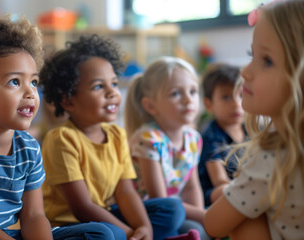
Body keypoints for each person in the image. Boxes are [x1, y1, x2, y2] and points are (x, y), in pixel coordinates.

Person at [0, 16, 116, 239]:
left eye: (33, 82)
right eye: (14, 81)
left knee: (104, 233)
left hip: (8, 235)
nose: (31, 92)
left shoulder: (29, 147)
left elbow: (33, 216)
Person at [40, 34, 194, 240]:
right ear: (68, 101)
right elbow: (81, 207)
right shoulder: (61, 139)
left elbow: (125, 192)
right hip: (68, 226)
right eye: (98, 86)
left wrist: (143, 227)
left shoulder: (116, 134)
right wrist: (130, 232)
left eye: (113, 83)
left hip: (104, 215)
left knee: (172, 208)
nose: (112, 92)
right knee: (106, 234)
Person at [204, 1, 304, 239]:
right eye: (252, 55)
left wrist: (236, 196)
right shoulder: (211, 134)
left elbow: (213, 224)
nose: (245, 72)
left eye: (267, 60)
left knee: (241, 218)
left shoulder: (274, 154)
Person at [125, 56, 210, 240]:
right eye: (175, 94)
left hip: (177, 208)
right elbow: (159, 199)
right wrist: (206, 218)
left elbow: (191, 187)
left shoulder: (193, 138)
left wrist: (204, 217)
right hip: (152, 213)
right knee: (195, 227)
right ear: (150, 106)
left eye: (193, 91)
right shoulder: (148, 139)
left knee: (203, 228)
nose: (188, 100)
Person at [198, 63, 246, 207]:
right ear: (209, 105)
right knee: (224, 190)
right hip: (217, 194)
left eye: (241, 95)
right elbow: (219, 180)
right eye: (226, 97)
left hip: (248, 190)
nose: (236, 104)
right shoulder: (211, 136)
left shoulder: (252, 131)